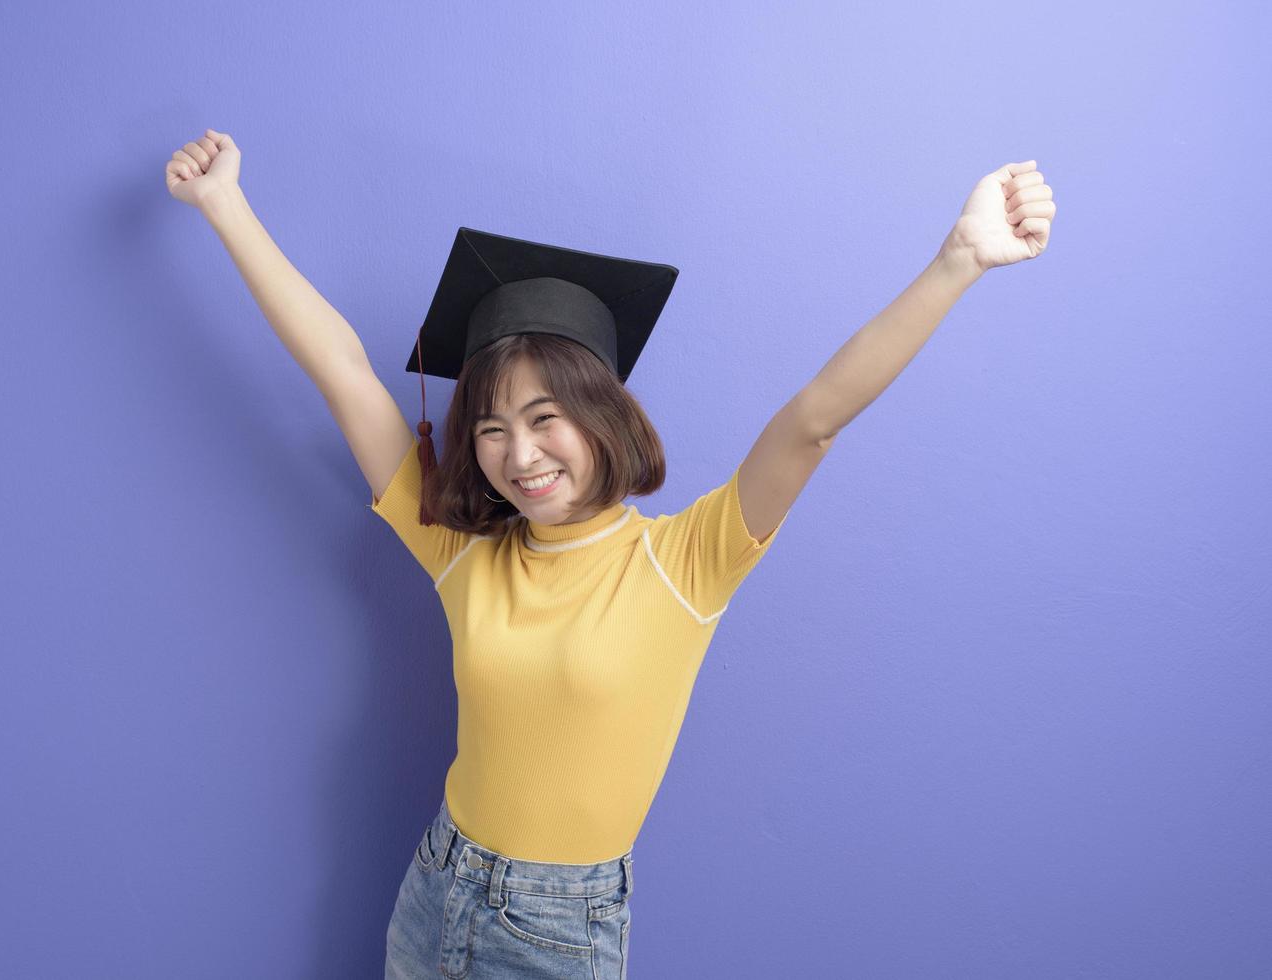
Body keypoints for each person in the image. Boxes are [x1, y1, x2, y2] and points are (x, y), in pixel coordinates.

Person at [165, 129, 1055, 978]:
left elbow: (814, 420)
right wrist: (224, 204)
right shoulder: (461, 553)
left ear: (603, 416)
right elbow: (345, 372)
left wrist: (958, 262)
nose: (521, 455)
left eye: (546, 418)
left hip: (558, 931)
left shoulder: (688, 562)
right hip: (437, 886)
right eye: (491, 428)